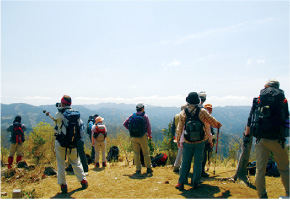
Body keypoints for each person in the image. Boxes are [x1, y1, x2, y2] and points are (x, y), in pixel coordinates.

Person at [244, 79, 289, 198]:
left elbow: (250, 118)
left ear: (266, 86)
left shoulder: (258, 99)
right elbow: (286, 119)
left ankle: (262, 195)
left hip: (261, 139)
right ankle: (289, 193)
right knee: (284, 169)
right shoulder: (283, 100)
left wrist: (247, 135)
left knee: (260, 170)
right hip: (278, 139)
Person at [175, 92, 222, 190]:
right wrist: (218, 125)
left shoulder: (184, 112)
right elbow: (211, 121)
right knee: (198, 162)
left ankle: (181, 182)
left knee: (185, 162)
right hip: (201, 141)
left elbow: (179, 128)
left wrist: (178, 140)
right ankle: (196, 182)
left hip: (187, 141)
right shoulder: (202, 111)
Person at [53, 95, 88, 194]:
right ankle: (83, 181)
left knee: (61, 163)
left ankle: (63, 185)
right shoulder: (76, 114)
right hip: (73, 142)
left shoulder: (59, 113)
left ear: (63, 103)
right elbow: (80, 126)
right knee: (76, 161)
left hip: (61, 142)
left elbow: (56, 125)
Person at [123, 103, 153, 174]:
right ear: (142, 109)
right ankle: (148, 168)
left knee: (136, 153)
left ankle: (138, 169)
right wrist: (149, 135)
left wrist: (130, 129)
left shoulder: (132, 116)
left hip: (134, 136)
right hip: (143, 136)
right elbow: (148, 127)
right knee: (145, 152)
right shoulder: (145, 116)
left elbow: (125, 124)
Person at [171, 104, 187, 172]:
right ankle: (179, 166)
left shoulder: (176, 116)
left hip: (177, 135)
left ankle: (177, 165)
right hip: (184, 135)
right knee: (183, 151)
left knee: (180, 150)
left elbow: (173, 126)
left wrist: (173, 135)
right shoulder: (185, 116)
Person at [202, 104, 216, 175]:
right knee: (203, 156)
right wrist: (210, 141)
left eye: (210, 109)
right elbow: (208, 129)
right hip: (205, 139)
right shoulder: (206, 117)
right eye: (209, 108)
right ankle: (202, 171)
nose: (210, 110)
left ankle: (201, 171)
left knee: (202, 155)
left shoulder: (202, 115)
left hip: (202, 139)